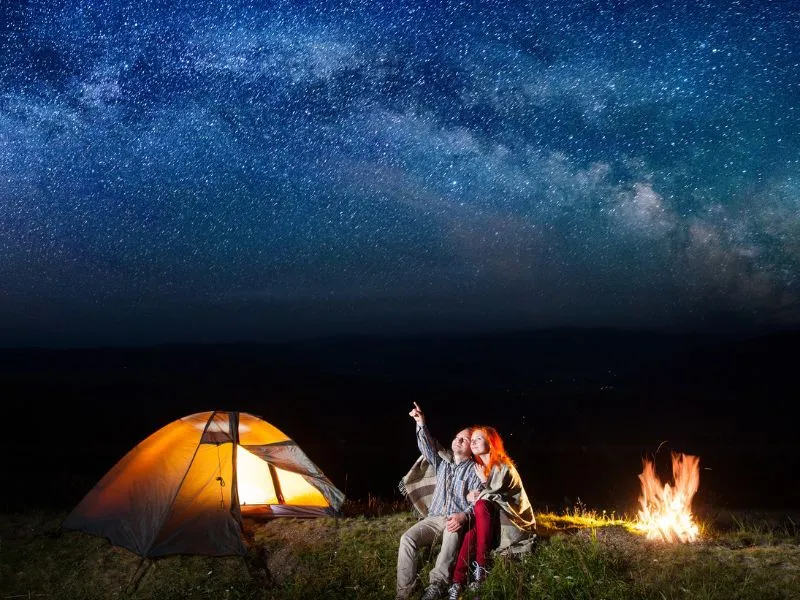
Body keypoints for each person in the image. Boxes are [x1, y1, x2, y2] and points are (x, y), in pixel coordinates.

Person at [396, 402, 485, 600]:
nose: (458, 440)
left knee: (452, 531)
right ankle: (404, 592)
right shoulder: (442, 462)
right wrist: (421, 423)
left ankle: (437, 584)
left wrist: (464, 516)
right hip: (433, 518)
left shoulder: (474, 471)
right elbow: (426, 447)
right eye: (456, 437)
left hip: (454, 520)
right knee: (407, 539)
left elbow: (478, 501)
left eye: (464, 439)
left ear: (471, 448)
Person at [446, 426, 537, 600]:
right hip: (491, 518)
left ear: (491, 442)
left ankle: (482, 567)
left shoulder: (503, 465)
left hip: (512, 519)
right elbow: (483, 496)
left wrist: (482, 486)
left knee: (480, 506)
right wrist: (472, 494)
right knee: (473, 527)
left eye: (479, 439)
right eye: (472, 440)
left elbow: (493, 495)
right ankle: (458, 581)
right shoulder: (482, 468)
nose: (473, 442)